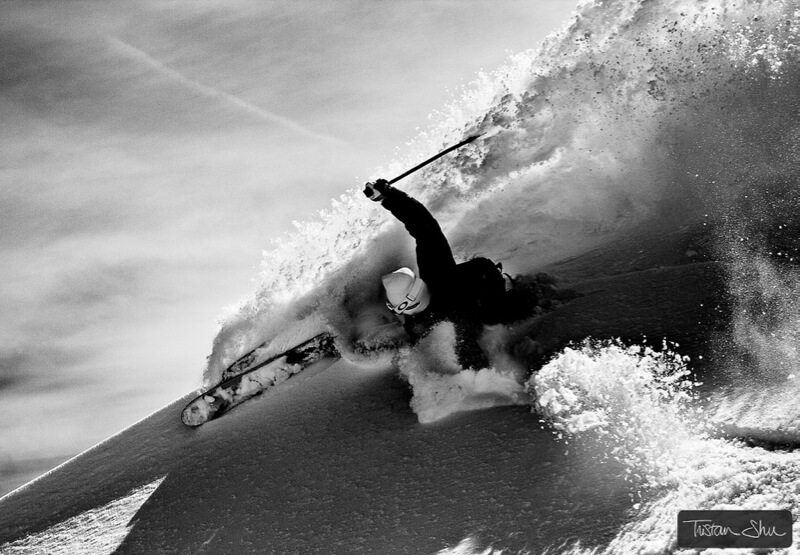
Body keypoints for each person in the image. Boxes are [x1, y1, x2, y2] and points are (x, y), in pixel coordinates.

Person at [363, 178, 508, 369]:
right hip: (481, 298)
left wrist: (389, 198)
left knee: (497, 316)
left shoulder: (440, 285)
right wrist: (389, 196)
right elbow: (424, 226)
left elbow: (424, 228)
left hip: (487, 294)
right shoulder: (436, 275)